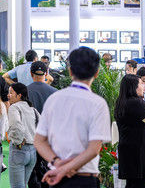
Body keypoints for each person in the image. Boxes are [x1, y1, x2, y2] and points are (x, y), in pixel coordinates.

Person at [35, 47, 111, 187]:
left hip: (56, 177)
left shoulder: (54, 99)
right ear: (97, 73)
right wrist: (65, 169)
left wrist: (58, 163)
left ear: (70, 71)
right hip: (84, 179)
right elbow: (93, 149)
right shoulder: (98, 103)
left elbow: (39, 141)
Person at [7, 83, 39, 188]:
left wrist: (18, 141)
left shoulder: (14, 107)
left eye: (11, 93)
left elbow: (16, 125)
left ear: (19, 95)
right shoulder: (32, 109)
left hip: (19, 149)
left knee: (17, 186)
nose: (8, 95)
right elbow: (42, 126)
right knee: (23, 184)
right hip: (32, 151)